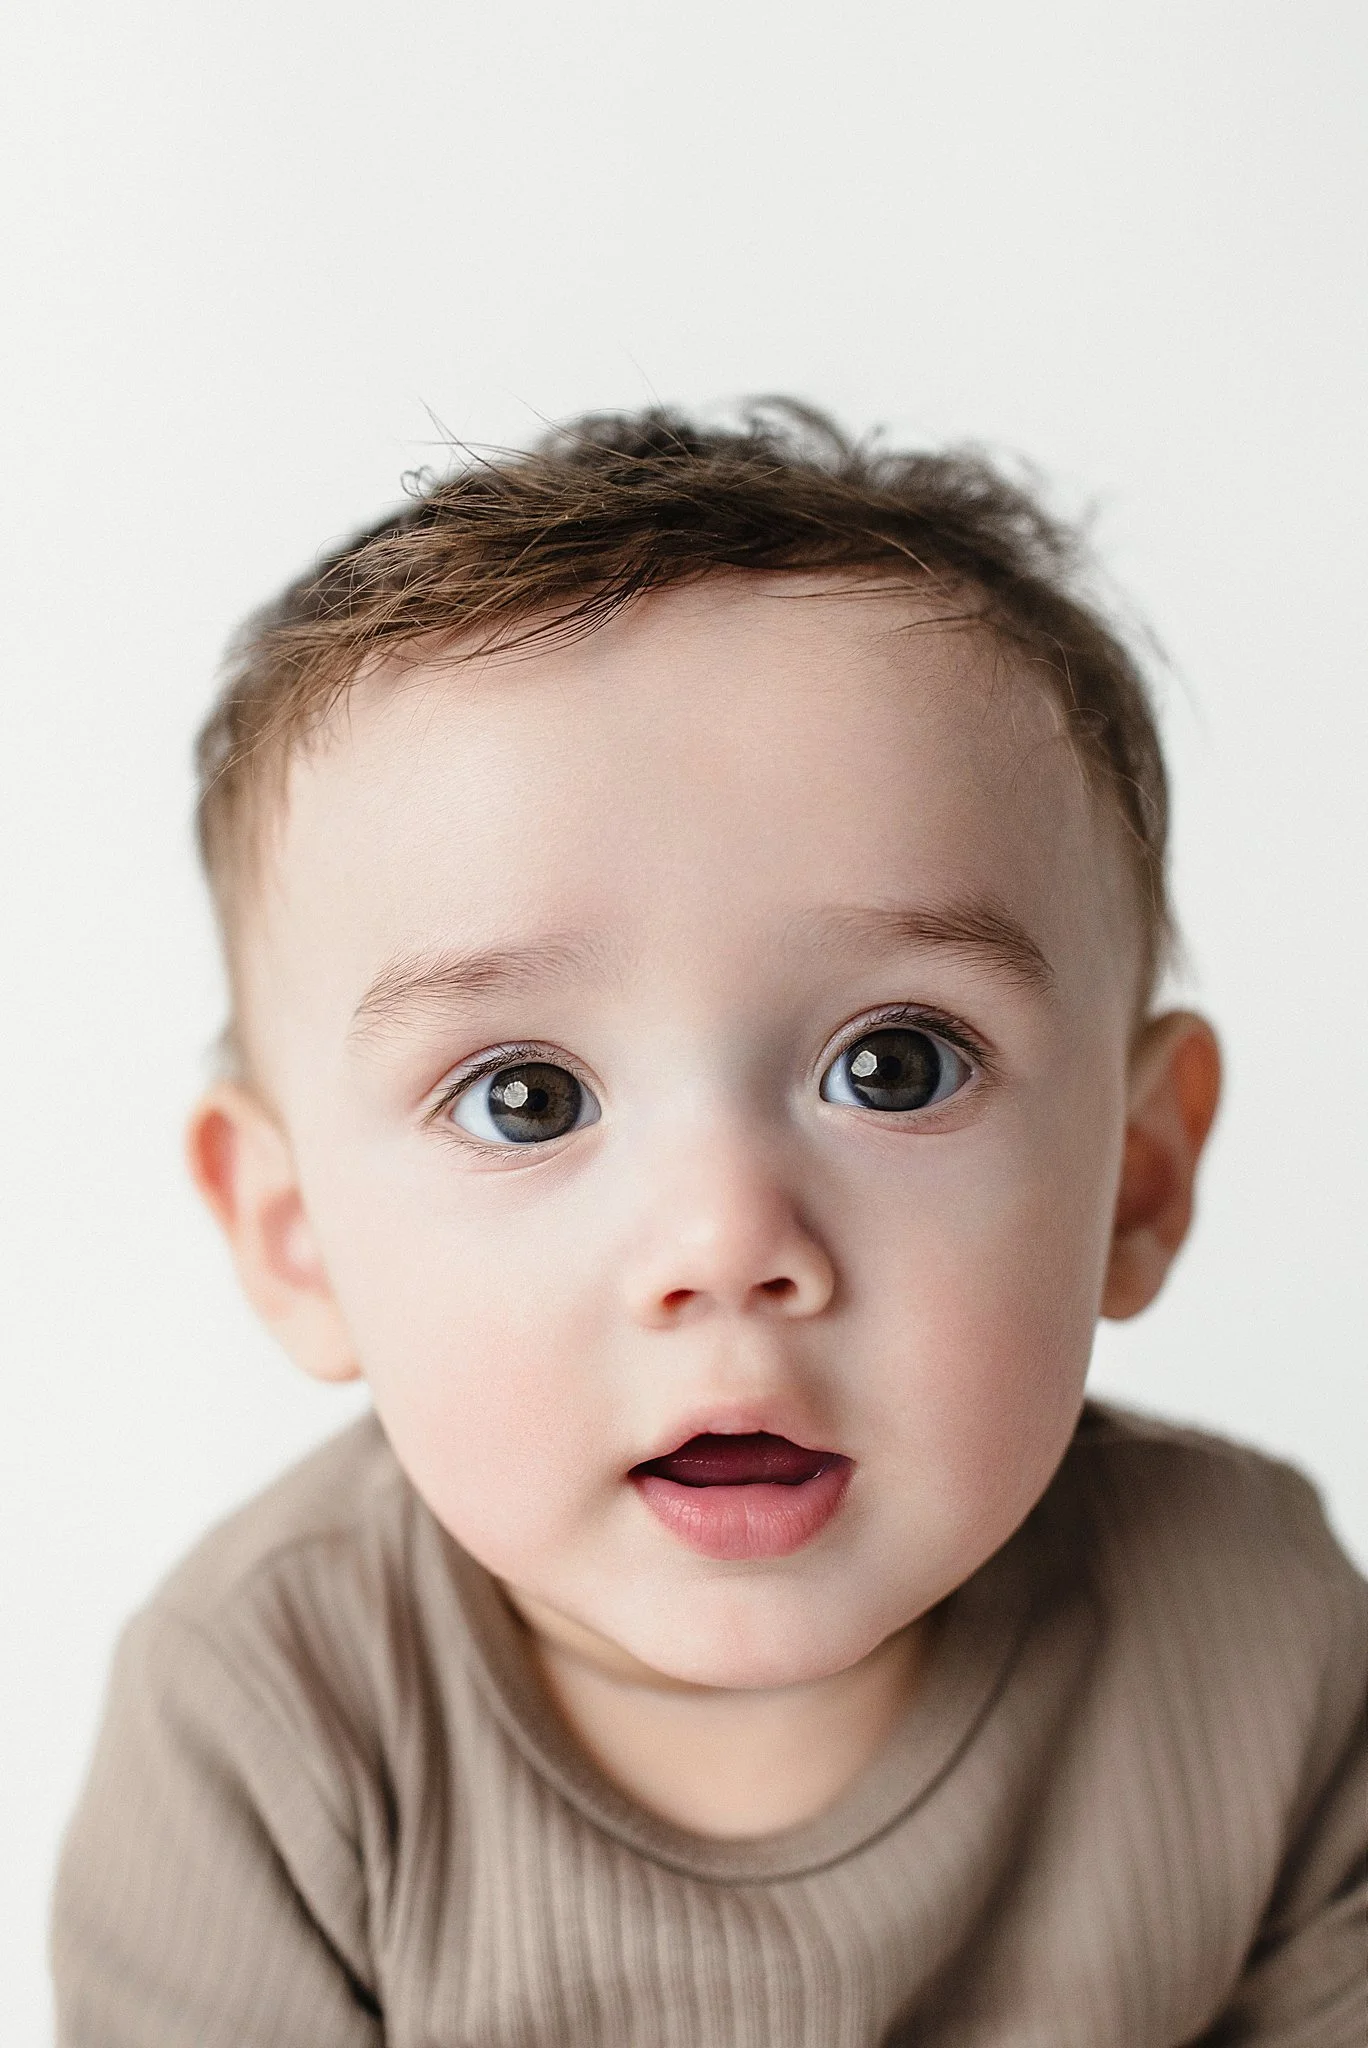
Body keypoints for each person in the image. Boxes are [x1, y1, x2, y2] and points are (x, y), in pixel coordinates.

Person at [52, 405, 1366, 2045]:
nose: (728, 1241)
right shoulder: (263, 1725)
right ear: (294, 1234)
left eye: (895, 1066)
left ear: (1140, 1174)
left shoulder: (1259, 1634)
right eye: (524, 1095)